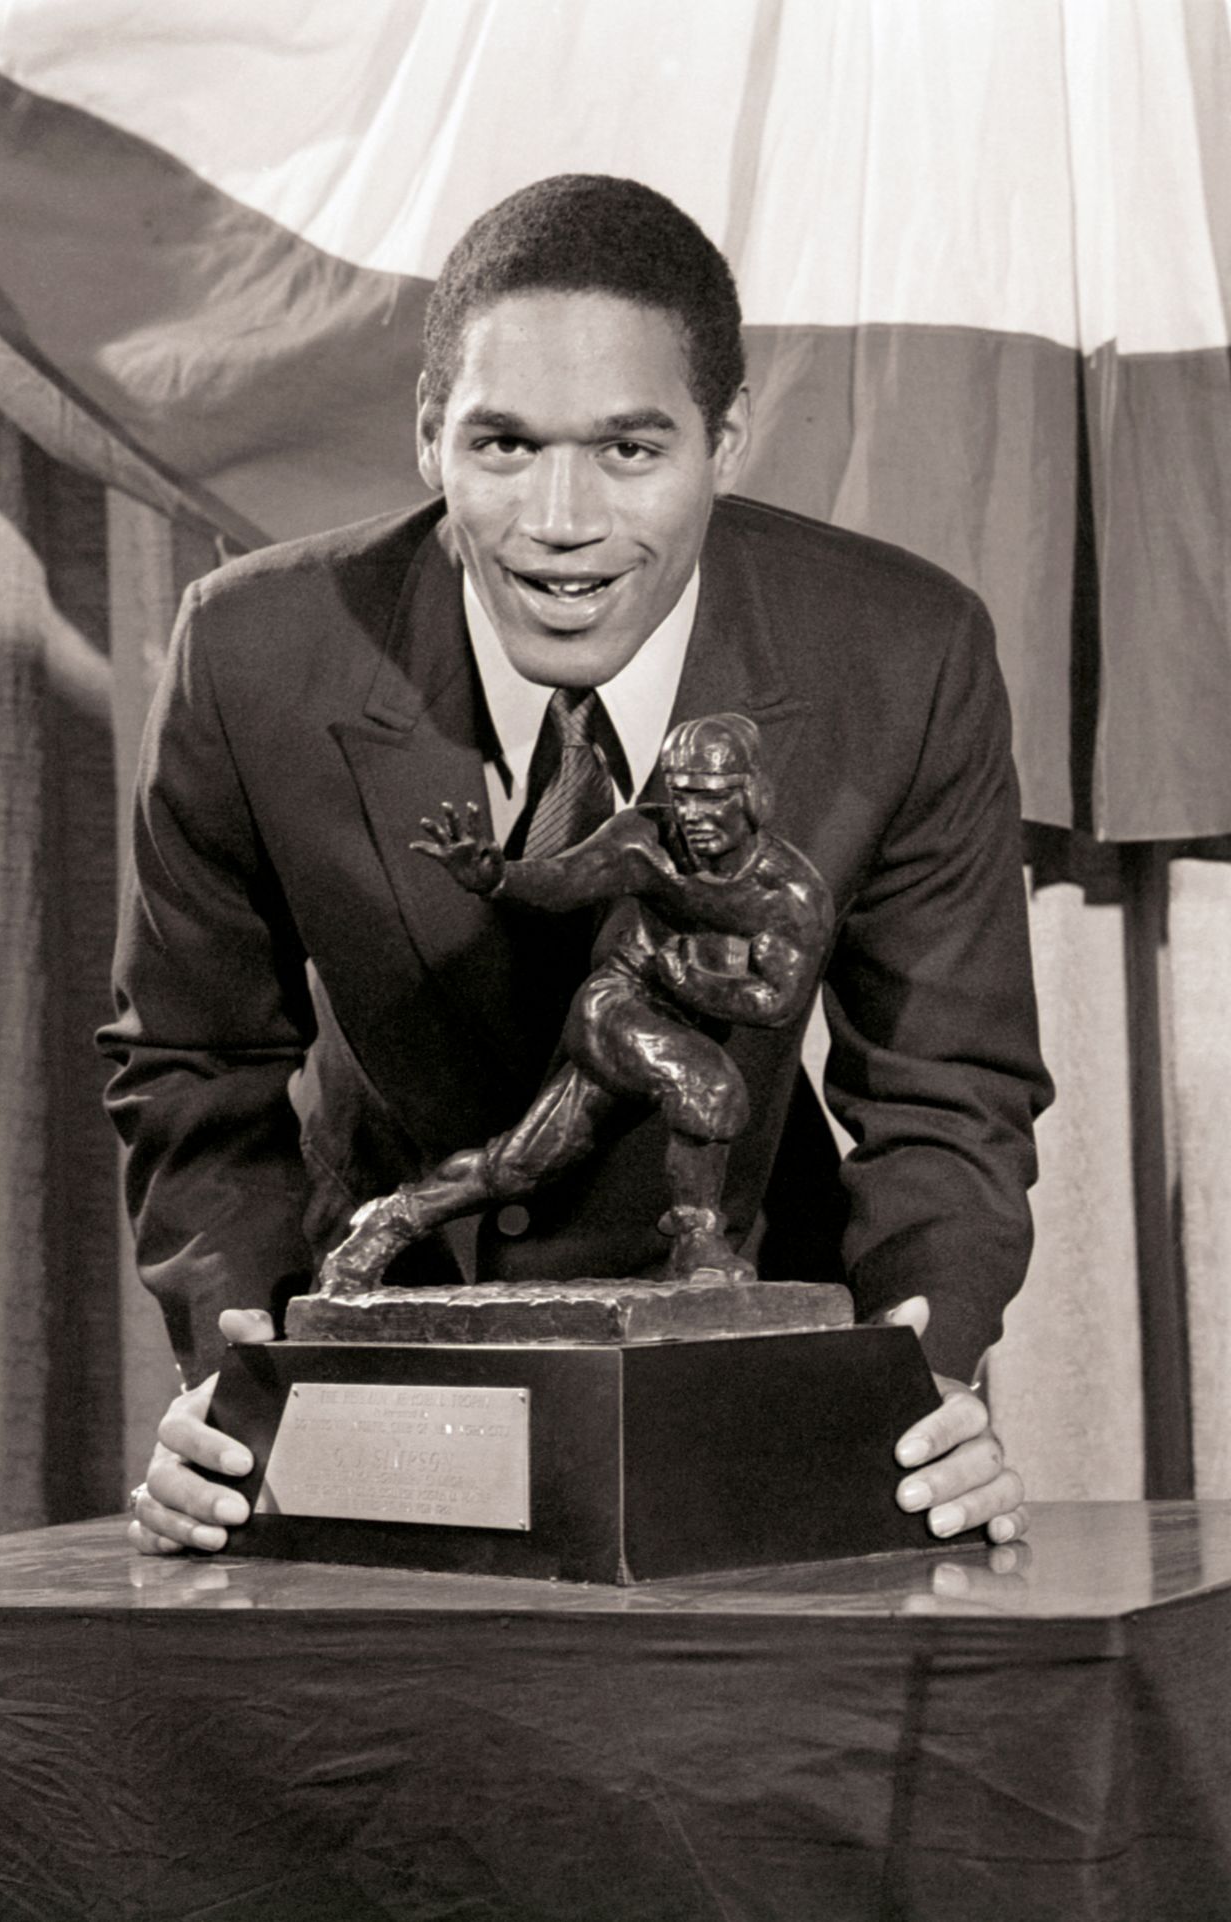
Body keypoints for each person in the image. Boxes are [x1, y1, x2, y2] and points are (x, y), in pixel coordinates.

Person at [102, 173, 1051, 1560]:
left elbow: (948, 1086)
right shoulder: (249, 654)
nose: (561, 518)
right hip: (380, 1368)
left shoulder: (904, 655)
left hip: (743, 1360)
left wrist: (924, 1368)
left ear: (724, 440)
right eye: (503, 445)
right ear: (430, 439)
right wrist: (236, 1358)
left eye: (627, 450)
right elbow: (191, 1060)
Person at [319, 712, 835, 1296]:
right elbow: (565, 878)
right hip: (617, 1003)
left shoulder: (788, 894)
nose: (693, 815)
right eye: (683, 795)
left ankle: (388, 1221)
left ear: (753, 796)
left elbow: (776, 1001)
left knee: (520, 1166)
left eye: (713, 797)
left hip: (671, 1014)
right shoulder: (643, 841)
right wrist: (499, 879)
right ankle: (700, 1243)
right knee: (709, 1086)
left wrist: (692, 984)